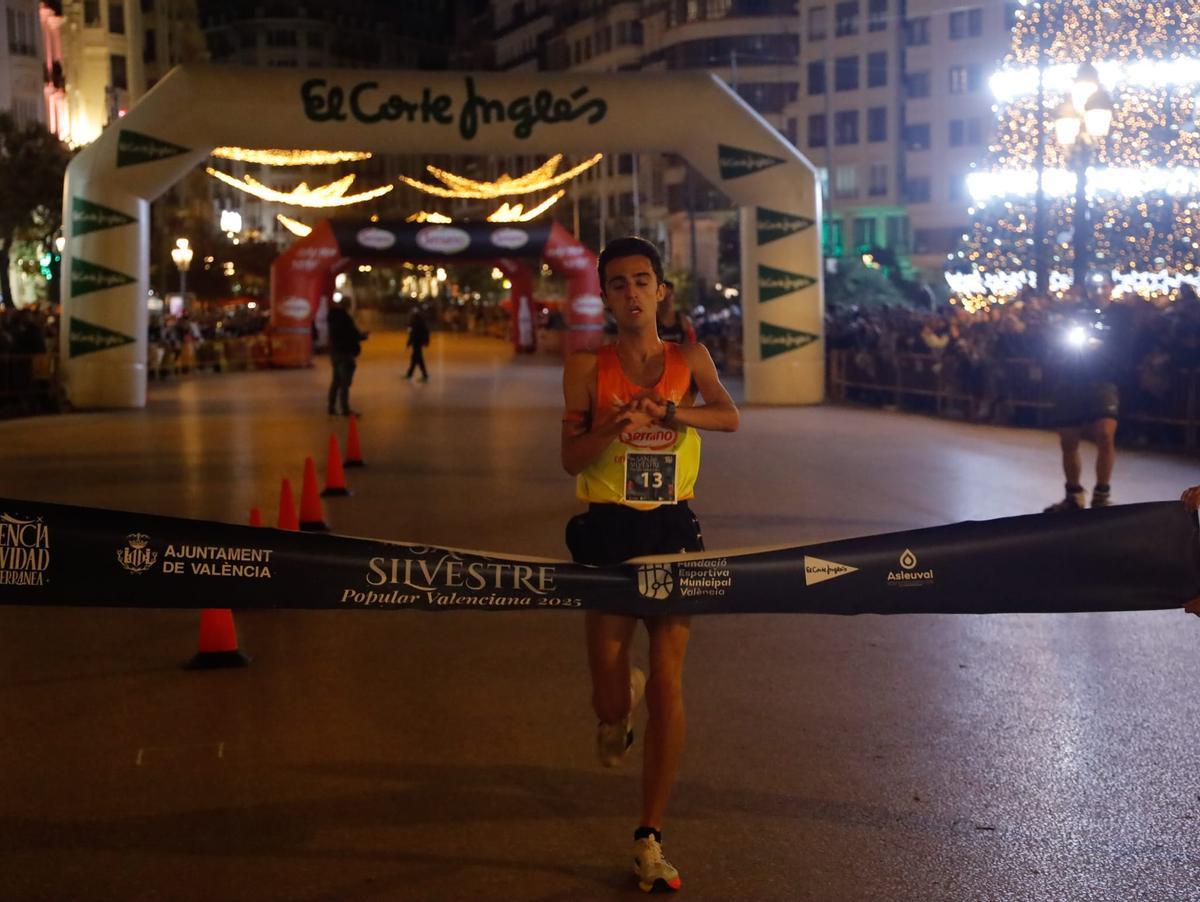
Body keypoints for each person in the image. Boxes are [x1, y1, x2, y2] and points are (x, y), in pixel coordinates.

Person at [560, 236, 739, 893]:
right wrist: (611, 425)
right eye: (617, 283)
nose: (631, 292)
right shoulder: (585, 367)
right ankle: (617, 706)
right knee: (611, 698)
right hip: (607, 534)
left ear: (661, 291)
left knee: (669, 678)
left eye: (642, 281)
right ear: (605, 296)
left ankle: (649, 834)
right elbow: (571, 459)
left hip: (672, 527)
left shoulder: (688, 358)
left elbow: (729, 416)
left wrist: (669, 412)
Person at [1043, 295, 1130, 512]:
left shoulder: (1120, 315)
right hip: (1071, 379)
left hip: (1103, 380)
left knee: (1105, 433)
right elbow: (1054, 341)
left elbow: (1128, 344)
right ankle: (1073, 494)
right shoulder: (1075, 310)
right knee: (1069, 439)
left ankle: (1102, 492)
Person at [326, 296, 367, 416]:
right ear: (348, 305)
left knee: (336, 381)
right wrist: (363, 336)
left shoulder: (333, 317)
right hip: (345, 354)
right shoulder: (345, 319)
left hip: (335, 353)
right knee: (344, 383)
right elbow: (353, 335)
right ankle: (345, 409)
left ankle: (331, 407)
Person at [655, 280, 696, 344]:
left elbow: (691, 344)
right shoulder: (652, 321)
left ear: (674, 296)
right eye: (664, 296)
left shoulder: (683, 320)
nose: (667, 299)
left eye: (669, 295)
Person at [406, 310, 430, 382]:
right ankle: (410, 374)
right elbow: (426, 333)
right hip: (418, 343)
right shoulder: (421, 323)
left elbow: (412, 334)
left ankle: (424, 375)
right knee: (415, 358)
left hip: (417, 343)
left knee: (418, 359)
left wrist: (409, 343)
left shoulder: (415, 324)